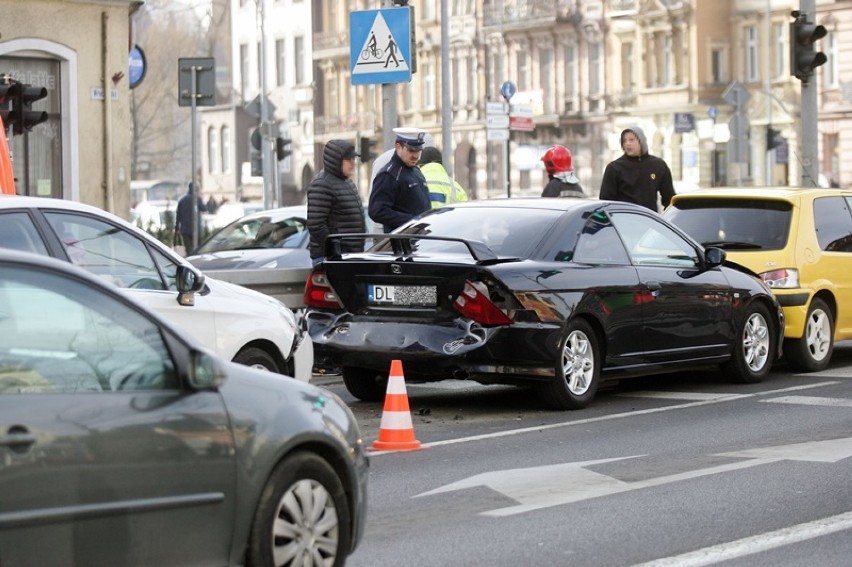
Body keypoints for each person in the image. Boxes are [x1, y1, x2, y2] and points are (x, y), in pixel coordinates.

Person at [307, 139, 367, 266]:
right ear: (336, 160)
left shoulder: (348, 183)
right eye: (349, 159)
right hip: (331, 258)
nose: (353, 163)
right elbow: (316, 225)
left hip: (350, 256)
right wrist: (335, 250)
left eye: (353, 159)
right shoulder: (322, 184)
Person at [368, 127, 431, 233]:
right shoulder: (389, 175)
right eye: (411, 150)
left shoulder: (416, 171)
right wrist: (412, 221)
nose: (415, 155)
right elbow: (377, 211)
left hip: (419, 238)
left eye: (419, 151)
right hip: (401, 242)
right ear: (398, 147)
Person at [599, 126, 675, 212]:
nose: (627, 143)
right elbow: (606, 202)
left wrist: (666, 219)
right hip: (623, 221)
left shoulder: (658, 165)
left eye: (631, 140)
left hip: (650, 221)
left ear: (641, 141)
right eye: (624, 141)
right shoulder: (614, 168)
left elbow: (669, 199)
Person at [174, 182, 206, 255]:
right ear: (196, 189)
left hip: (185, 229)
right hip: (196, 229)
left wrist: (177, 228)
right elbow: (204, 209)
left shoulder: (182, 200)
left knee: (189, 250)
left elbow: (178, 215)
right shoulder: (197, 199)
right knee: (199, 250)